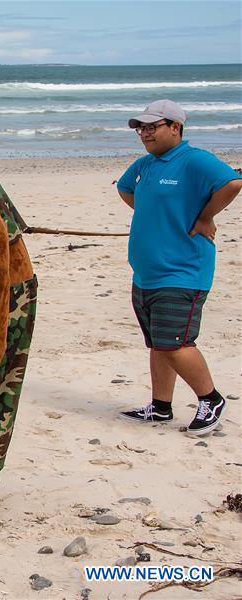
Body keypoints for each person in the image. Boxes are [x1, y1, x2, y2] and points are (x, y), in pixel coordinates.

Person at [116, 99, 241, 435]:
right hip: (146, 273)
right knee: (159, 343)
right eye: (141, 128)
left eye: (152, 127)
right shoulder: (145, 164)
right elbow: (125, 188)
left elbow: (232, 183)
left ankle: (211, 399)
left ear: (175, 127)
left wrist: (205, 216)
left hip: (182, 271)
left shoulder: (193, 160)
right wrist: (155, 214)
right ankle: (160, 407)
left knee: (174, 343)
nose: (145, 134)